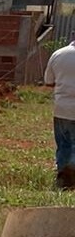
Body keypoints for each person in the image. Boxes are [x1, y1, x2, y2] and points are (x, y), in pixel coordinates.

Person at [45, 39, 75, 188]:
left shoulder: (58, 54)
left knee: (63, 144)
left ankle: (63, 179)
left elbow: (48, 81)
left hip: (62, 108)